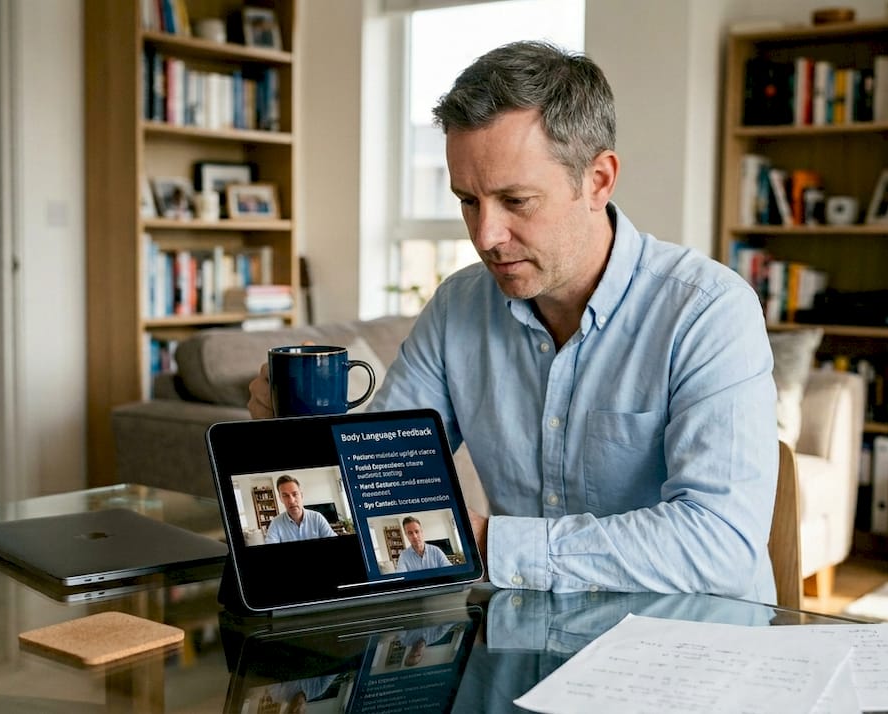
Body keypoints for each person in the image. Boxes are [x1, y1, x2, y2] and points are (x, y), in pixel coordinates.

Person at [248, 41, 777, 600]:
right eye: (468, 201)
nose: (485, 237)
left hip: (687, 652)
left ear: (597, 180)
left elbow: (721, 543)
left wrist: (486, 545)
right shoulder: (458, 308)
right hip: (521, 643)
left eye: (516, 200)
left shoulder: (708, 311)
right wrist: (292, 442)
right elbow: (380, 477)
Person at [264, 474, 337, 544]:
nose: (291, 501)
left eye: (295, 494)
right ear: (281, 499)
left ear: (301, 495)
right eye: (285, 496)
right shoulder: (275, 523)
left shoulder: (317, 518)